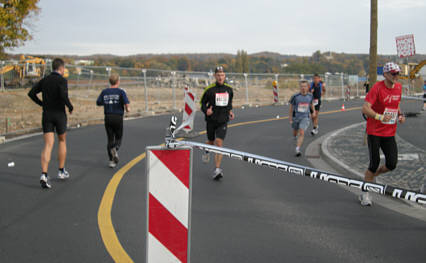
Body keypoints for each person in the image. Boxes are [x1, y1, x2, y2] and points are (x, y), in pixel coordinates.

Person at [359, 62, 405, 206]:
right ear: (385, 74)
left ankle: (373, 176)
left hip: (389, 132)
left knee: (392, 164)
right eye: (393, 73)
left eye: (398, 73)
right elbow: (365, 108)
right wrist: (379, 117)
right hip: (374, 132)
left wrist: (400, 115)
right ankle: (365, 193)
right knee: (374, 163)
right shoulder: (377, 88)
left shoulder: (398, 87)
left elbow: (396, 104)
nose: (396, 76)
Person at [28, 58, 73, 189]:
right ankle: (61, 171)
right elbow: (63, 95)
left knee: (48, 144)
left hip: (47, 114)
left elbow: (31, 93)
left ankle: (44, 174)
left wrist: (41, 103)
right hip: (59, 114)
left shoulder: (45, 80)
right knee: (62, 141)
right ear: (61, 68)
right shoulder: (62, 80)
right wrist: (70, 107)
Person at [200, 66, 234, 180]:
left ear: (225, 76)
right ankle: (206, 150)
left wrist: (230, 111)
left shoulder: (229, 89)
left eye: (222, 75)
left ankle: (217, 169)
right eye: (218, 75)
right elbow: (202, 104)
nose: (220, 77)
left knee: (218, 143)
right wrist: (206, 111)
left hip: (223, 121)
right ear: (215, 76)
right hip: (211, 120)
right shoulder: (209, 89)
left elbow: (229, 103)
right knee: (210, 141)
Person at [96, 73, 130, 168]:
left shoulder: (105, 92)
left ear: (109, 82)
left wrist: (106, 102)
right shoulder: (121, 92)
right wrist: (127, 109)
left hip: (108, 116)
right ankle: (115, 148)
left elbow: (98, 102)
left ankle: (111, 160)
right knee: (118, 138)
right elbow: (126, 103)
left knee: (110, 139)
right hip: (118, 117)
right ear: (118, 81)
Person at [289, 80, 316, 157]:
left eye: (305, 86)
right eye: (302, 86)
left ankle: (297, 149)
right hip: (296, 117)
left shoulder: (310, 96)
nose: (303, 88)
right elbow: (291, 108)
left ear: (307, 87)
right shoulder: (295, 97)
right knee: (295, 132)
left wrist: (313, 111)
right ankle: (295, 137)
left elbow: (311, 104)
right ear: (300, 87)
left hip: (305, 117)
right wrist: (290, 118)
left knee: (301, 132)